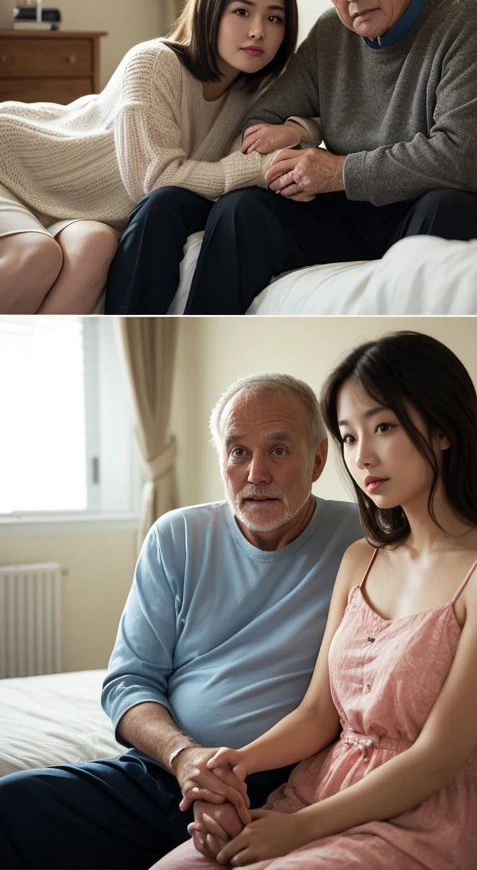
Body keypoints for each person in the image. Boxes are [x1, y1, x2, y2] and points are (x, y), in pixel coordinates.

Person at [149, 332, 477, 870]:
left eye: (384, 427)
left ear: (443, 430)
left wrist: (299, 830)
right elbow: (319, 713)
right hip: (317, 791)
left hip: (417, 821)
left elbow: (438, 758)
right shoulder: (360, 559)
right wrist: (238, 764)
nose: (362, 455)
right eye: (348, 437)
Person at [0, 373, 361, 870]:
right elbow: (129, 682)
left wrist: (226, 781)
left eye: (279, 451)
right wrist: (184, 758)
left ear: (318, 459)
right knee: (11, 803)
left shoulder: (364, 541)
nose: (256, 473)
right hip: (164, 773)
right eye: (238, 452)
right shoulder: (178, 535)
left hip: (282, 789)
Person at [165, 0, 477, 314]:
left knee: (443, 207)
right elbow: (261, 119)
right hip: (361, 212)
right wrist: (301, 134)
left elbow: (465, 160)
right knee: (241, 210)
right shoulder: (329, 34)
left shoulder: (472, 17)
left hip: (464, 207)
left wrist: (338, 171)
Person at [0, 0, 314, 314]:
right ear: (209, 10)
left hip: (76, 208)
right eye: (241, 12)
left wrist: (296, 128)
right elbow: (155, 181)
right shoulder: (152, 62)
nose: (258, 30)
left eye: (274, 18)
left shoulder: (254, 97)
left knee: (96, 248)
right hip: (12, 162)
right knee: (36, 256)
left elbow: (318, 121)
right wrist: (258, 170)